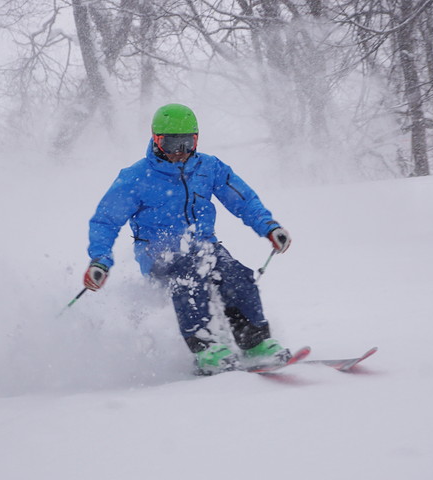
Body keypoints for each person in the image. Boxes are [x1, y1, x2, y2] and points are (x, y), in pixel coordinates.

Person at [83, 103, 292, 375]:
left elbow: (243, 199)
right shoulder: (136, 177)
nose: (180, 152)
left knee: (236, 274)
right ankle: (206, 349)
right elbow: (106, 220)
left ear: (196, 140)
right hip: (159, 255)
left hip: (204, 245)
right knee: (189, 272)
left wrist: (268, 226)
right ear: (157, 141)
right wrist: (100, 260)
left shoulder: (209, 167)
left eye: (187, 142)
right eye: (171, 144)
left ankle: (254, 343)